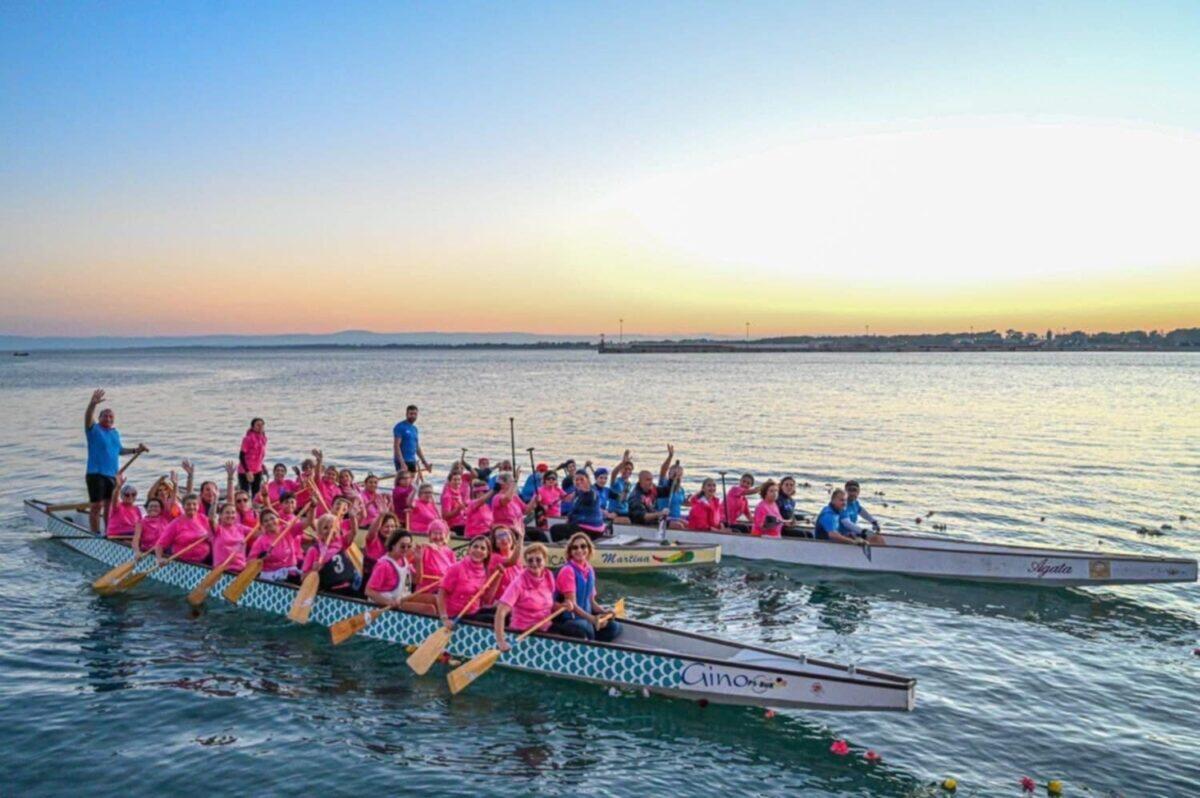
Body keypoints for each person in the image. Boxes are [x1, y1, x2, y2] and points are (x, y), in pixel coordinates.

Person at [84, 389, 148, 533]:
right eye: (105, 416)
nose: (108, 418)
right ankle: (94, 533)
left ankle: (109, 532)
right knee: (96, 506)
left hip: (112, 475)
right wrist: (92, 404)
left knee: (109, 506)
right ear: (99, 418)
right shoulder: (93, 430)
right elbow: (88, 417)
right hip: (96, 474)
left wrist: (135, 450)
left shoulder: (115, 433)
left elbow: (119, 450)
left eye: (110, 416)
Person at [494, 543, 565, 651]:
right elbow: (501, 612)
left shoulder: (548, 576)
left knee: (576, 631)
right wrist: (501, 641)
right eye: (530, 560)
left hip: (544, 626)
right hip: (523, 632)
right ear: (526, 563)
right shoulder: (519, 582)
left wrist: (563, 606)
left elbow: (548, 604)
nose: (534, 563)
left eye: (538, 560)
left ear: (545, 561)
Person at [552, 534, 621, 642]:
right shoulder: (568, 571)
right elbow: (573, 605)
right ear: (570, 552)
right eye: (575, 548)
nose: (579, 550)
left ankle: (597, 644)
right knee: (586, 629)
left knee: (614, 627)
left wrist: (604, 612)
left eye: (583, 546)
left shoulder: (589, 569)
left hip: (586, 617)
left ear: (588, 549)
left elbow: (591, 601)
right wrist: (592, 619)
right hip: (569, 619)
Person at [436, 536, 493, 626]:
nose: (478, 550)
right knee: (491, 619)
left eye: (483, 548)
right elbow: (441, 594)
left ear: (487, 554)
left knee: (501, 614)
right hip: (455, 616)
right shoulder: (456, 568)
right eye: (475, 547)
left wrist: (499, 576)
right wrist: (444, 618)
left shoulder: (485, 572)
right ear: (469, 549)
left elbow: (487, 600)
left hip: (473, 613)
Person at [549, 472, 608, 541]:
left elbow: (590, 498)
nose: (579, 482)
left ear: (588, 480)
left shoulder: (592, 491)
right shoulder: (578, 492)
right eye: (576, 480)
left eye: (582, 479)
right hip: (586, 527)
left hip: (590, 529)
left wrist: (587, 492)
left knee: (554, 529)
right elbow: (572, 509)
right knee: (566, 527)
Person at [155, 494, 212, 565]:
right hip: (183, 562)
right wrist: (159, 559)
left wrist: (210, 537)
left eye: (194, 504)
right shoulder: (175, 523)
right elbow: (160, 545)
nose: (191, 507)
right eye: (188, 504)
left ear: (198, 506)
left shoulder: (203, 519)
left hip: (204, 558)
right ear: (183, 506)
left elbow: (213, 536)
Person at [365, 529, 415, 608]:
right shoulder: (383, 565)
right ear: (393, 546)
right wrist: (388, 602)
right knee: (429, 609)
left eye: (409, 546)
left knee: (433, 601)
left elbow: (412, 583)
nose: (406, 549)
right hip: (383, 605)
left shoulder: (404, 560)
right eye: (402, 546)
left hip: (401, 600)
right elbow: (369, 591)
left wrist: (419, 560)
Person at [247, 509, 300, 582]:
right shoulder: (260, 541)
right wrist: (261, 558)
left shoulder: (287, 529)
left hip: (290, 571)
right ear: (262, 525)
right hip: (270, 575)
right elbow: (249, 563)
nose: (270, 522)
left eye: (272, 518)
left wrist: (312, 509)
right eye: (266, 521)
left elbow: (308, 522)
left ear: (278, 520)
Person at [414, 520, 457, 591]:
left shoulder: (450, 552)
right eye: (435, 533)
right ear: (430, 535)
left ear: (445, 535)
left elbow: (455, 573)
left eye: (440, 533)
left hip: (444, 590)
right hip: (427, 591)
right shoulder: (424, 549)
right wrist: (425, 546)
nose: (437, 537)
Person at [211, 502, 250, 572]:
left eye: (233, 513)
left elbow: (260, 532)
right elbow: (211, 519)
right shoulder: (218, 529)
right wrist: (215, 501)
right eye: (227, 513)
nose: (230, 515)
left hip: (241, 568)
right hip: (222, 570)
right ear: (220, 515)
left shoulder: (240, 527)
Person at [392, 404, 431, 476]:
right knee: (403, 482)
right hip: (402, 461)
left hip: (412, 460)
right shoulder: (400, 427)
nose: (413, 416)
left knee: (411, 484)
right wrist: (402, 463)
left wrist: (425, 463)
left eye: (415, 414)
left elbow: (417, 447)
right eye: (411, 414)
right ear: (406, 414)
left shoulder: (414, 429)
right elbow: (396, 446)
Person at [106, 475, 143, 540]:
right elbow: (114, 498)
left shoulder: (137, 509)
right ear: (122, 496)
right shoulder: (118, 506)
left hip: (132, 534)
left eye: (133, 494)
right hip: (118, 534)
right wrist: (118, 487)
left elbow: (140, 525)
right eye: (127, 495)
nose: (130, 497)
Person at [238, 418, 267, 496]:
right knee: (245, 493)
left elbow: (259, 455)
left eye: (262, 425)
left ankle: (254, 508)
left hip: (258, 470)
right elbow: (241, 456)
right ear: (253, 427)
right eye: (258, 425)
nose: (260, 426)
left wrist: (262, 465)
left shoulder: (263, 438)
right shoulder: (247, 439)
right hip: (245, 471)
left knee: (256, 494)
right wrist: (247, 471)